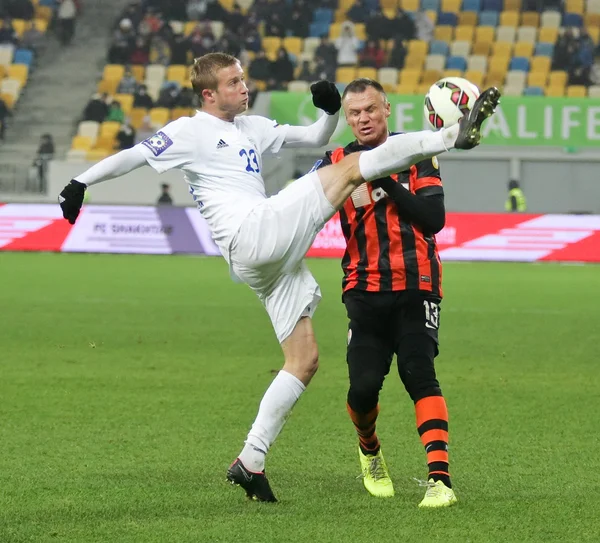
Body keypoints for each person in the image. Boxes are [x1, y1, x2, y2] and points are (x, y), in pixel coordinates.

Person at [57, 52, 500, 503]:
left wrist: (329, 112)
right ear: (209, 94)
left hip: (269, 260)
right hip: (252, 232)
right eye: (233, 82)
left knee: (303, 360)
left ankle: (251, 460)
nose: (244, 87)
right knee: (350, 169)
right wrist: (81, 182)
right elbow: (133, 156)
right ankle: (451, 136)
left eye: (243, 79)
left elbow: (312, 136)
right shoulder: (189, 131)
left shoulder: (250, 127)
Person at [312, 78, 460, 508]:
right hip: (363, 288)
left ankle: (440, 481)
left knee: (419, 373)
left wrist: (387, 179)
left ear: (387, 109)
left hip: (417, 286)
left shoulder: (417, 151)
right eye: (354, 112)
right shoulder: (335, 160)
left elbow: (433, 217)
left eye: (370, 110)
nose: (362, 119)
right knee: (362, 390)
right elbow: (304, 207)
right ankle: (370, 449)